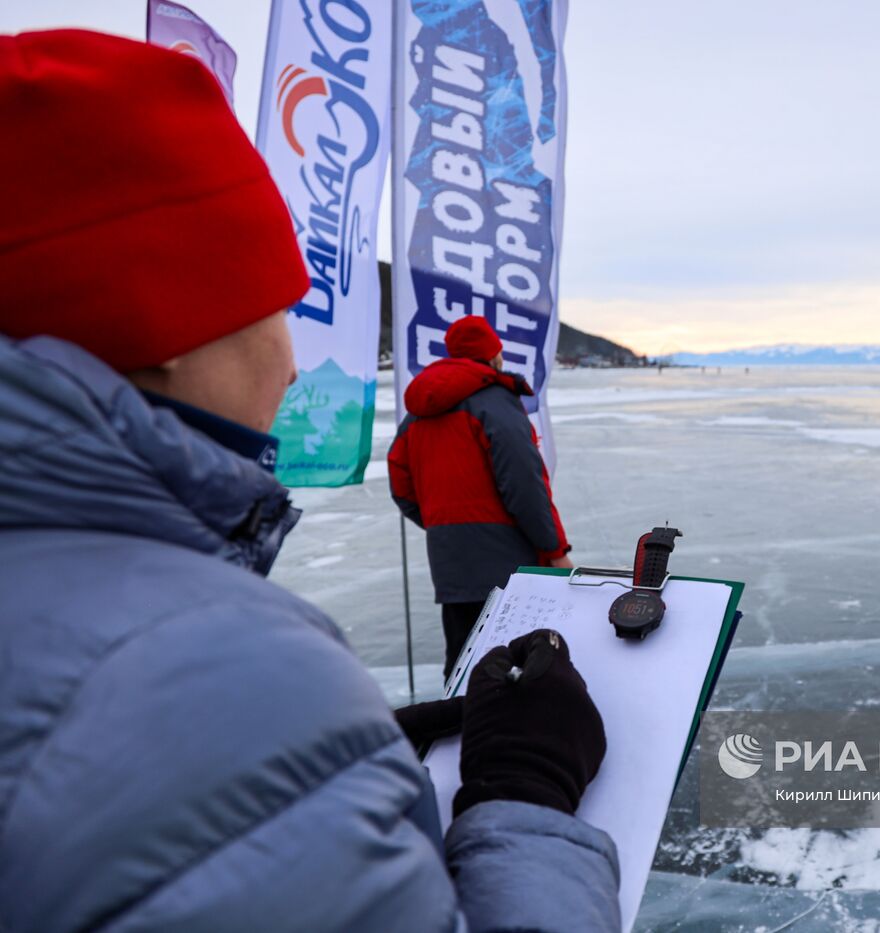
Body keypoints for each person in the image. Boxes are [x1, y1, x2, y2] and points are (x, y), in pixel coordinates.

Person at [0, 30, 618, 933]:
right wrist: (524, 793)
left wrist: (336, 770)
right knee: (511, 678)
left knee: (466, 658)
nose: (291, 368)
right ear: (166, 320)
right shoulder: (219, 674)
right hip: (503, 552)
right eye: (275, 307)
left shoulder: (421, 409)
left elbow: (405, 477)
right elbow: (522, 482)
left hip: (447, 548)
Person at [389, 316, 573, 679]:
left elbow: (401, 484)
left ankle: (460, 734)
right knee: (518, 667)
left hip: (450, 561)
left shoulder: (419, 413)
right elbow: (524, 484)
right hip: (508, 563)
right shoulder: (495, 402)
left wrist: (444, 525)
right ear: (494, 355)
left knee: (463, 665)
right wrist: (555, 549)